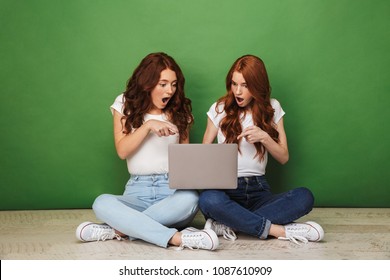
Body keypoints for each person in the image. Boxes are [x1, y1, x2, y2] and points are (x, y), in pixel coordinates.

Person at [76, 52, 218, 250]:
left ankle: (119, 230)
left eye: (174, 84)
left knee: (191, 199)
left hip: (171, 192)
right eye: (163, 84)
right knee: (101, 202)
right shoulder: (124, 103)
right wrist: (148, 126)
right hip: (136, 191)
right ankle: (177, 238)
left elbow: (185, 165)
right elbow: (122, 151)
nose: (170, 90)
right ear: (147, 83)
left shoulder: (180, 112)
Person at [199, 54, 324, 245]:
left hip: (259, 191)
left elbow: (283, 157)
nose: (238, 91)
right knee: (208, 200)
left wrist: (264, 137)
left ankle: (230, 223)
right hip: (226, 190)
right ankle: (278, 230)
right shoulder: (219, 108)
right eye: (234, 84)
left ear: (257, 85)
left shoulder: (272, 107)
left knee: (304, 197)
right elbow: (202, 155)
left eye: (245, 85)